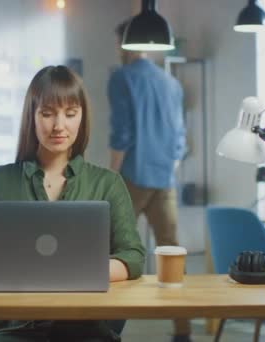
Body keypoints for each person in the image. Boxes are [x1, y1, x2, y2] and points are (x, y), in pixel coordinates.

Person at [0, 65, 145, 342]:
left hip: (85, 328)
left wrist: (82, 272)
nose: (59, 126)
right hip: (12, 329)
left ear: (82, 117)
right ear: (32, 117)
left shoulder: (108, 184)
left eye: (70, 113)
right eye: (47, 113)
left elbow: (133, 256)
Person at [107, 21, 190, 342]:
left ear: (123, 42)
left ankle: (106, 327)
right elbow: (181, 139)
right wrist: (168, 167)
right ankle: (183, 333)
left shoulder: (121, 78)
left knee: (116, 252)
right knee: (172, 259)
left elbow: (122, 134)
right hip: (165, 177)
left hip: (132, 176)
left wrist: (110, 177)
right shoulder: (171, 83)